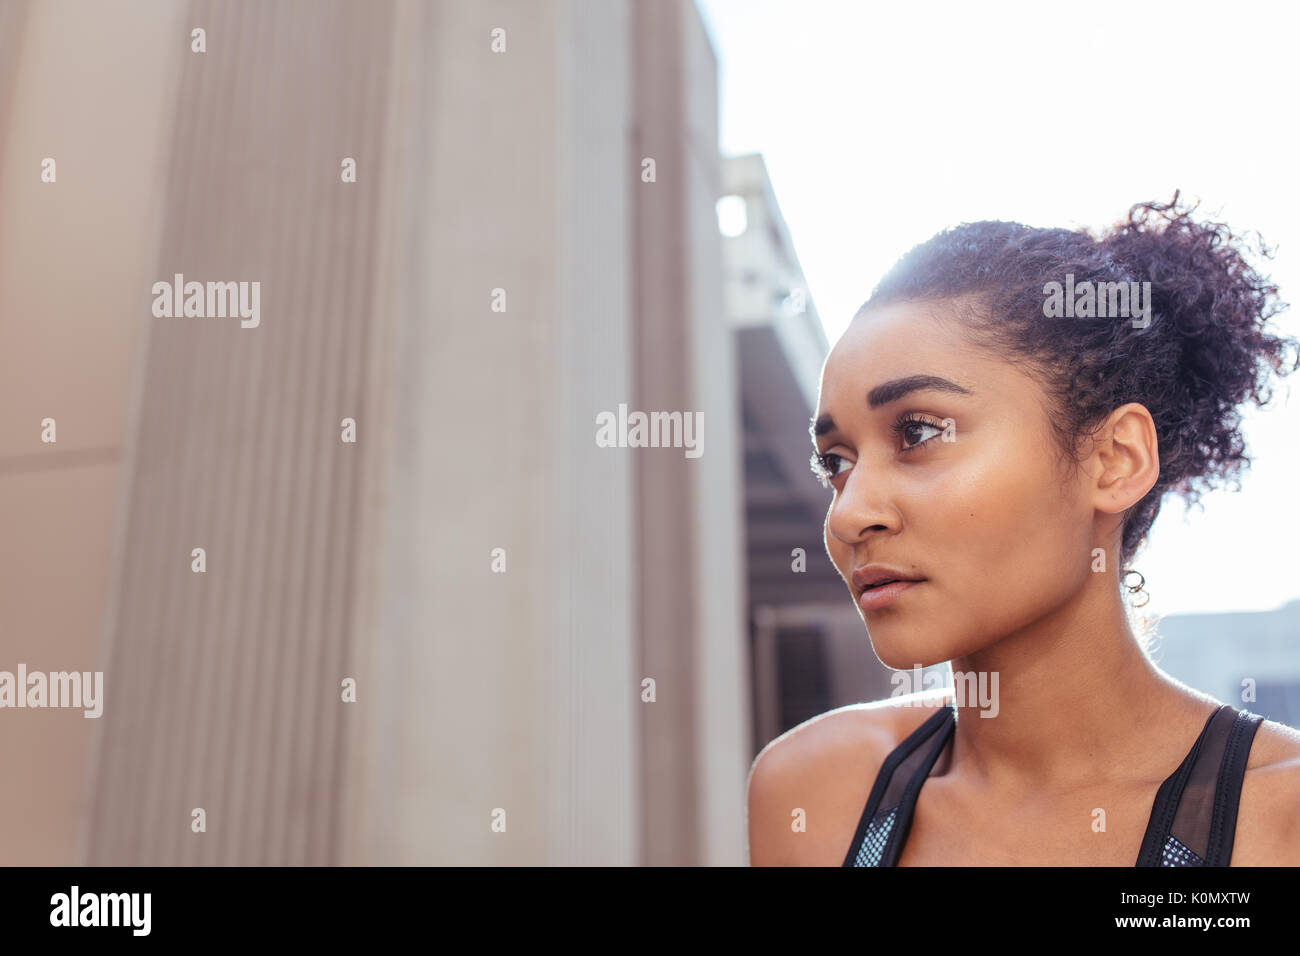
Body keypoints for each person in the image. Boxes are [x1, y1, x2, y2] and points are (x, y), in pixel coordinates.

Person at [747, 194, 1300, 866]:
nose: (848, 513)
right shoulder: (817, 793)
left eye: (919, 432)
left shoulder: (1278, 822)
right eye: (836, 463)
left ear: (1115, 459)